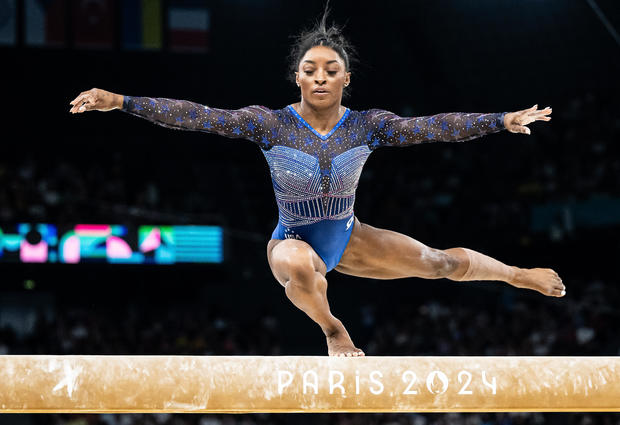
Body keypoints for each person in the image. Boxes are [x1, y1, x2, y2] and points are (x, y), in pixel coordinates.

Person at [69, 11, 563, 357]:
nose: (320, 78)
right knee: (303, 267)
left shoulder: (368, 125)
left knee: (440, 263)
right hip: (290, 240)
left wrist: (501, 120)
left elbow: (434, 126)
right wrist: (121, 100)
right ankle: (333, 330)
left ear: (347, 78)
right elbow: (199, 116)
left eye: (331, 71)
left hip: (348, 235)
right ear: (297, 78)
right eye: (310, 71)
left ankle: (516, 274)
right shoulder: (270, 124)